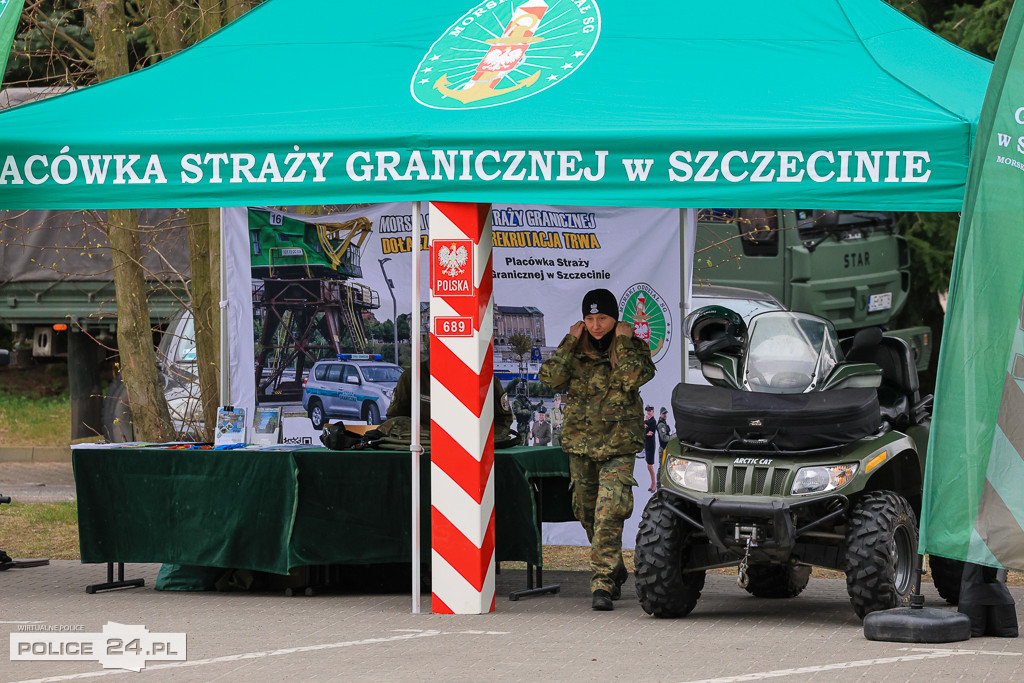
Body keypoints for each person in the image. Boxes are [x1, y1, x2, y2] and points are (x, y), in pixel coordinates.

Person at [539, 288, 656, 611]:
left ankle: (602, 583)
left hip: (618, 445)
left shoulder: (632, 347)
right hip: (582, 445)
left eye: (602, 318)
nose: (596, 325)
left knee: (609, 513)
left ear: (615, 319)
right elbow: (550, 379)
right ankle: (614, 568)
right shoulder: (574, 350)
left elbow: (632, 378)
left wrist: (623, 342)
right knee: (587, 513)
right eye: (589, 319)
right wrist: (568, 341)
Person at [511, 380, 542, 446]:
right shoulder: (516, 401)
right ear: (518, 390)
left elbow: (531, 407)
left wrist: (538, 405)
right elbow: (517, 411)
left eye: (523, 390)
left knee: (526, 444)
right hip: (521, 425)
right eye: (521, 390)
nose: (522, 392)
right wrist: (527, 412)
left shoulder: (525, 399)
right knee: (521, 443)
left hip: (527, 425)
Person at [643, 406, 658, 492]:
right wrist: (646, 430)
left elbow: (651, 432)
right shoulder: (647, 421)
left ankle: (654, 484)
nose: (648, 412)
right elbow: (643, 430)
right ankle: (652, 483)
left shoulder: (653, 421)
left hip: (651, 445)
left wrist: (646, 429)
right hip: (647, 444)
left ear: (653, 411)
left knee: (650, 466)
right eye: (648, 411)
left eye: (650, 411)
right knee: (648, 466)